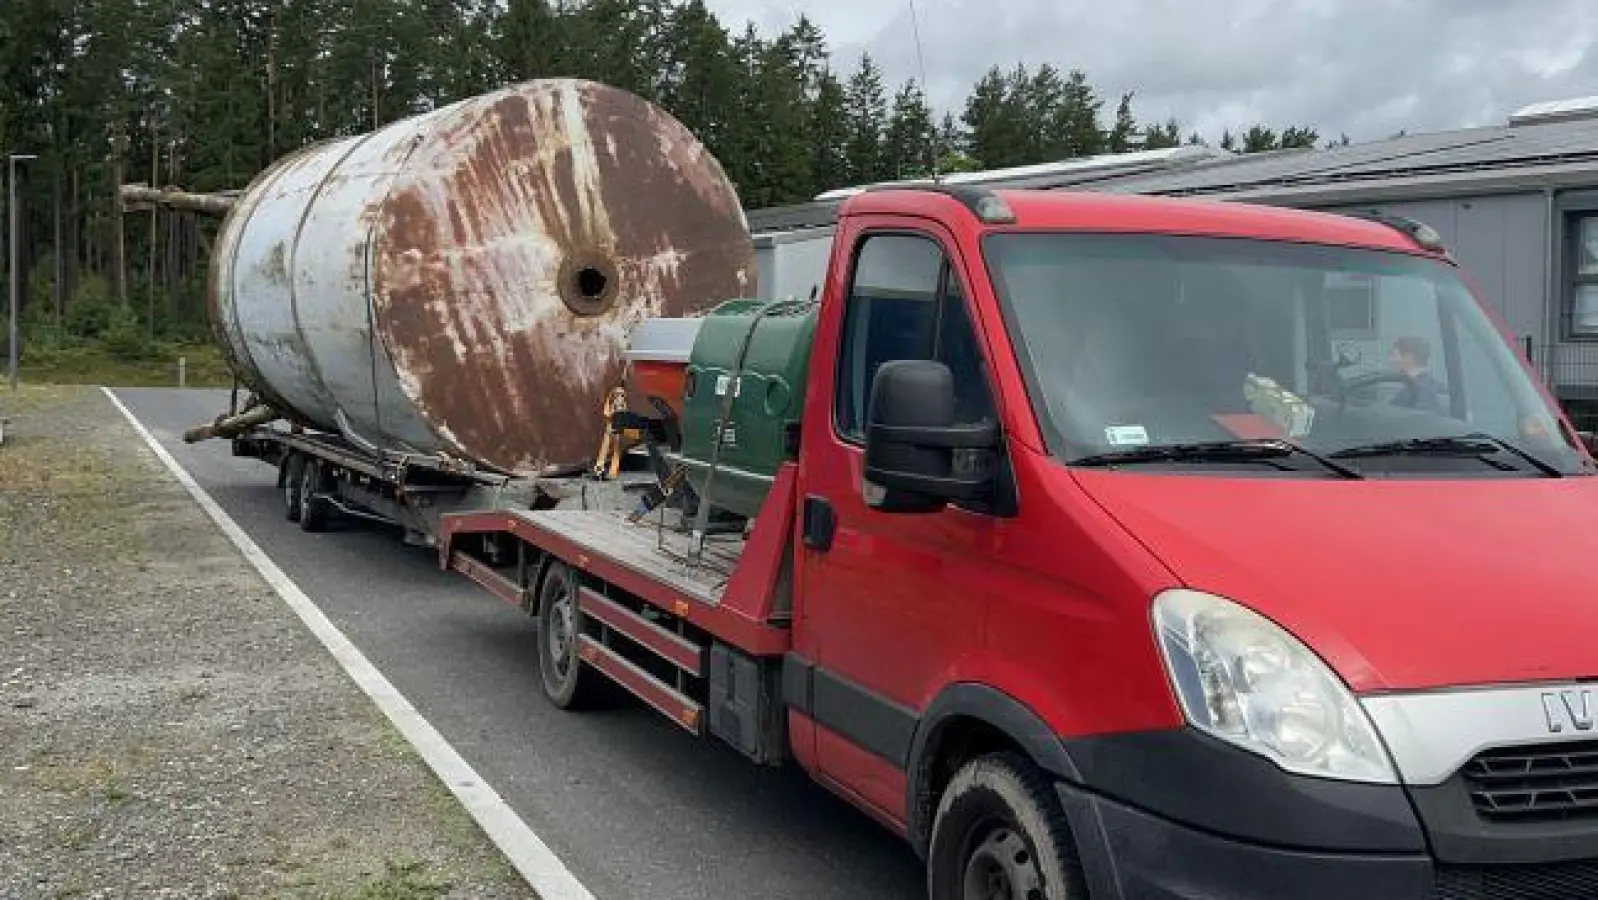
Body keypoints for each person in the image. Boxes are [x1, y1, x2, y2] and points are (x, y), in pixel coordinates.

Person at [1389, 336, 1448, 414]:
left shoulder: (1411, 393)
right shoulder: (1440, 388)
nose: (1391, 360)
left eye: (1394, 355)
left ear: (1409, 358)